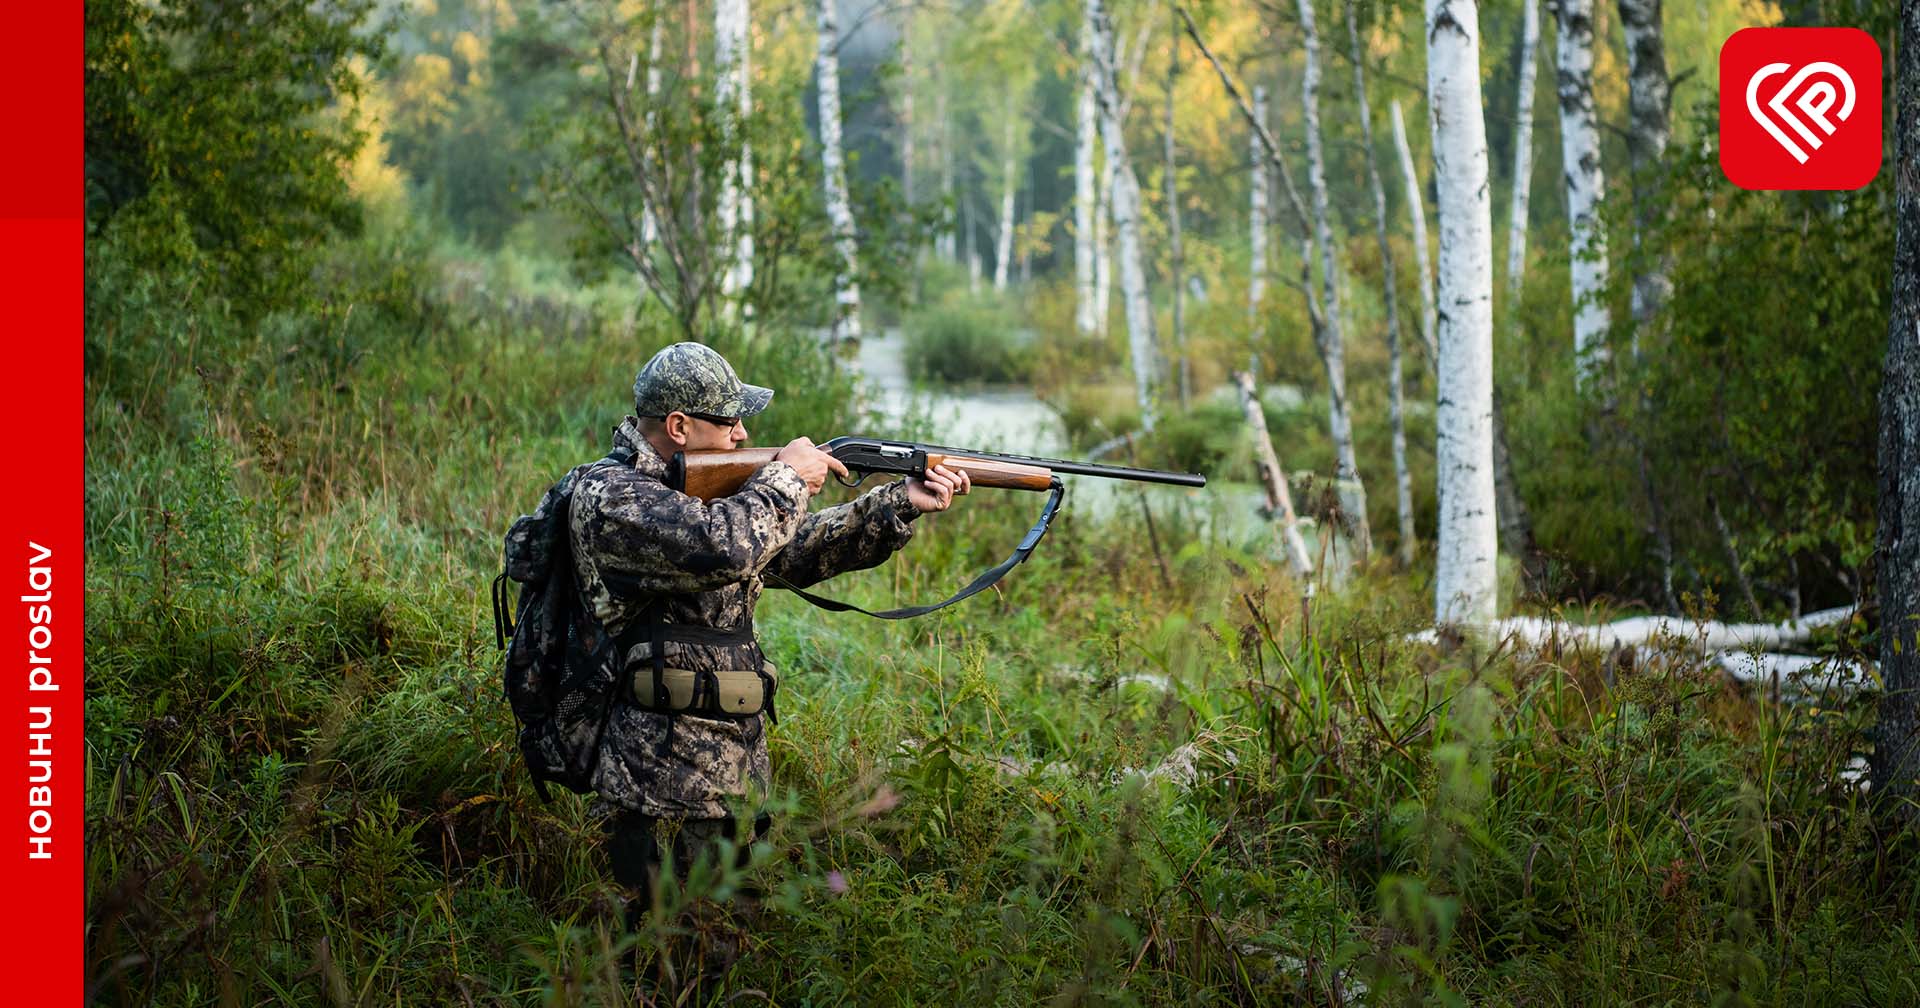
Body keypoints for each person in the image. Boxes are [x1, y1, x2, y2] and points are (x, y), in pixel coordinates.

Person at [568, 341, 969, 977]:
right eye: (730, 422)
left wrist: (896, 505)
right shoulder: (610, 498)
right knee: (636, 960)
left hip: (731, 773)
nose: (744, 434)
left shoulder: (718, 498)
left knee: (717, 956)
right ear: (679, 426)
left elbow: (791, 547)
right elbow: (722, 546)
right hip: (650, 780)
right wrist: (787, 478)